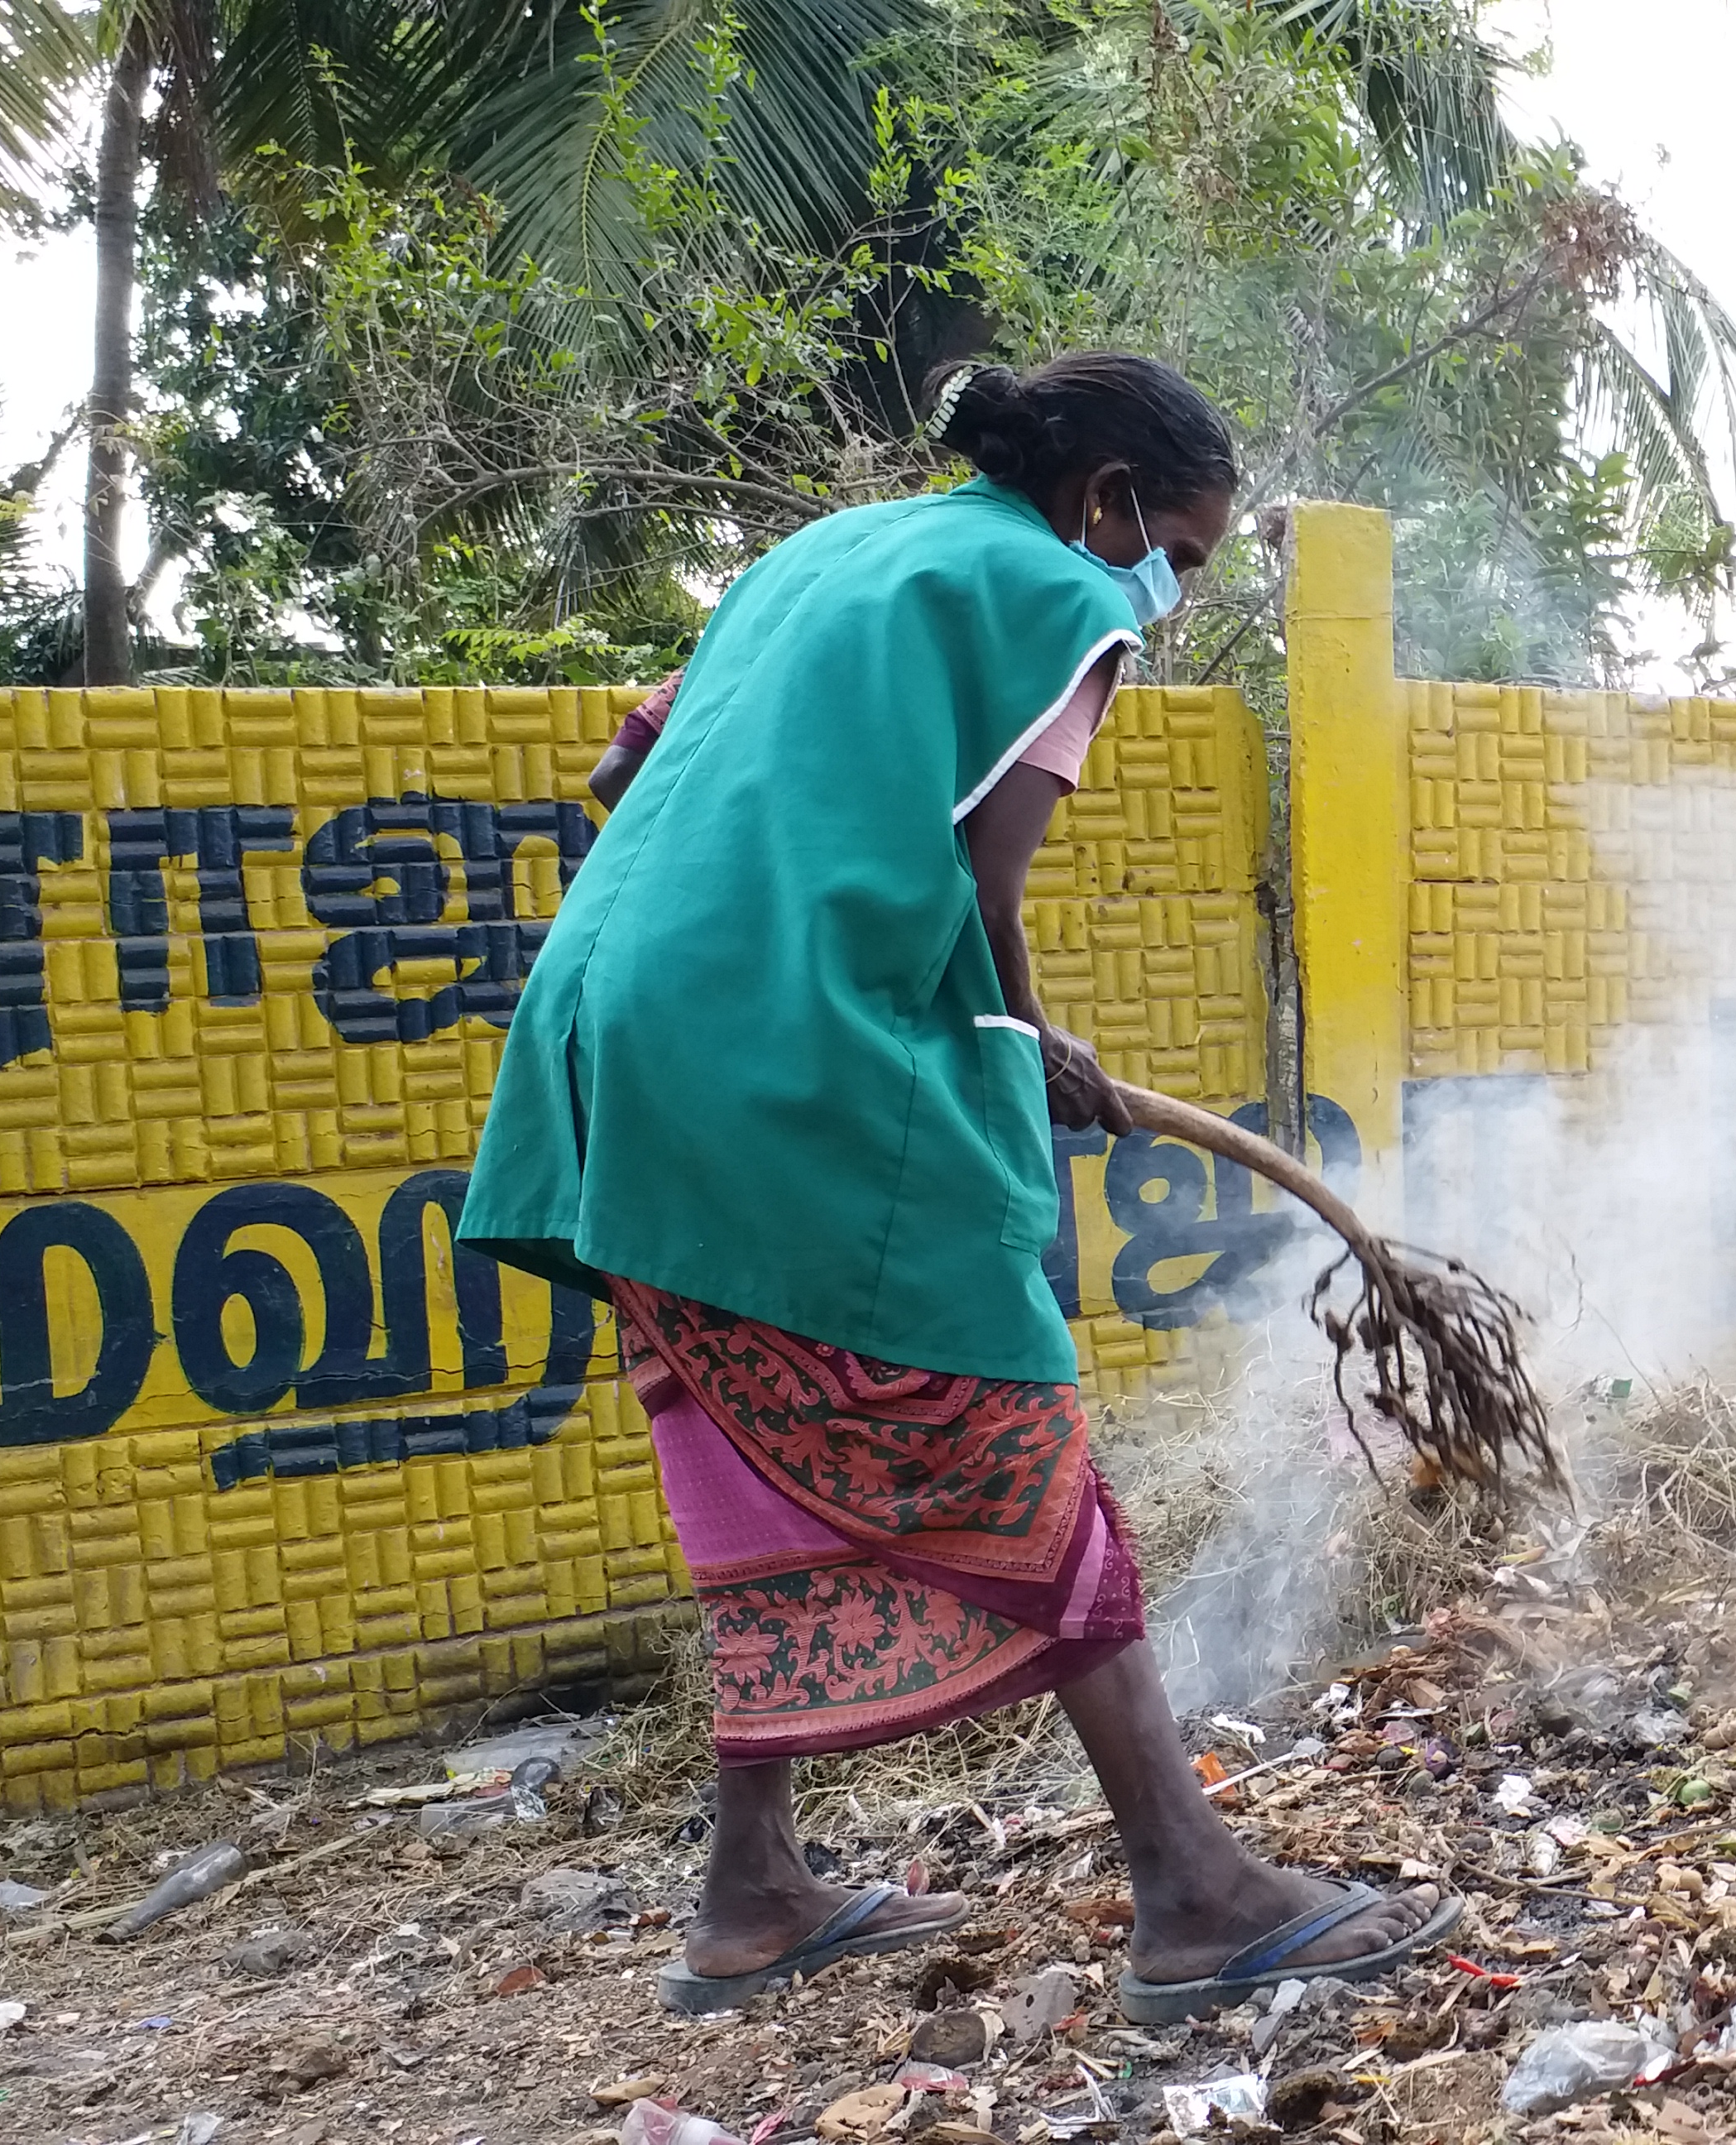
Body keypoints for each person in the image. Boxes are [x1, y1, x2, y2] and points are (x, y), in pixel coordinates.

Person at [461, 353, 1455, 2020]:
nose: (1165, 591)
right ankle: (1193, 1888)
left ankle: (752, 1889)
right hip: (785, 1041)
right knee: (1010, 1424)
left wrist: (989, 1005)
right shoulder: (1049, 586)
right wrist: (1030, 1032)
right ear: (1108, 501)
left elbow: (642, 778)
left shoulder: (816, 558)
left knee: (752, 1452)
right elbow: (988, 882)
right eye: (1181, 553)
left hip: (606, 1025)